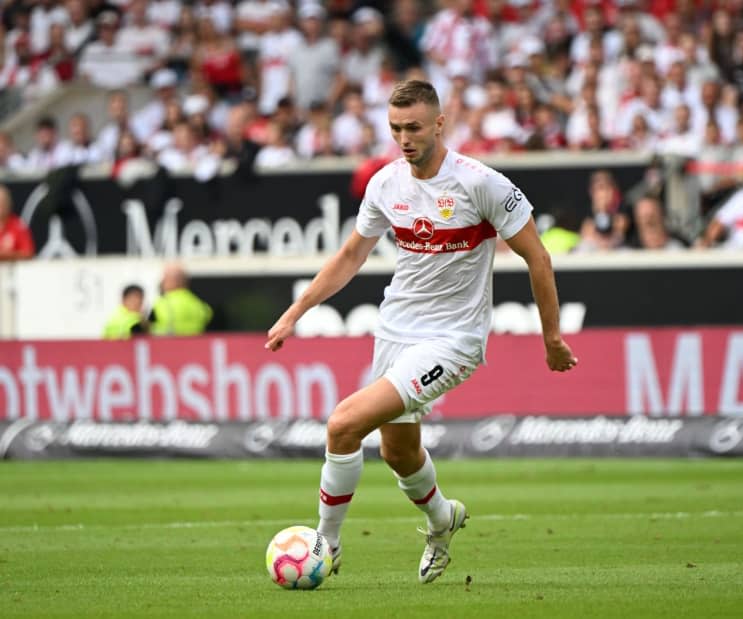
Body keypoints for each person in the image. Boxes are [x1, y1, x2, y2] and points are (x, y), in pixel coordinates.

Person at [265, 80, 577, 584]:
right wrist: (295, 311)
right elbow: (350, 256)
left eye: (413, 127)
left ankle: (326, 544)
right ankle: (442, 520)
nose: (404, 138)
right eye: (395, 128)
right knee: (399, 452)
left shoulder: (482, 184)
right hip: (395, 328)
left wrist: (552, 337)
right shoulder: (386, 184)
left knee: (344, 424)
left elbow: (537, 256)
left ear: (438, 123)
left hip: (453, 339)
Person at [150, 263, 213, 335]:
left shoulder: (162, 303)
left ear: (175, 281)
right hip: (196, 344)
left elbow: (150, 331)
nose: (162, 282)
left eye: (165, 278)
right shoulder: (199, 304)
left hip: (169, 344)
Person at [0, 184, 35, 261]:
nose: (1, 205)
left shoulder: (18, 226)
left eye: (3, 202)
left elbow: (28, 253)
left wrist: (5, 255)